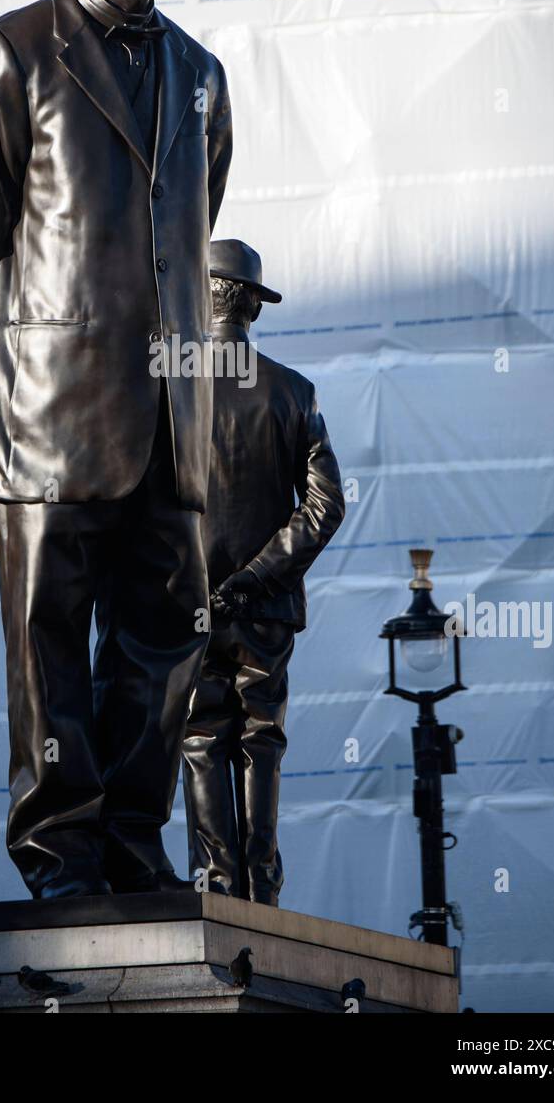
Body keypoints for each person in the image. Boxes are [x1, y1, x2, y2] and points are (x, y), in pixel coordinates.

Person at [0, 0, 233, 898]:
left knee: (163, 645)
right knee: (48, 642)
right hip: (46, 411)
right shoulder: (13, 51)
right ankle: (61, 848)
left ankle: (132, 839)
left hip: (167, 416)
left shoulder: (201, 73)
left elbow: (187, 234)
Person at [183, 239, 345, 905]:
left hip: (187, 606)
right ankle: (261, 889)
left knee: (199, 738)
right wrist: (256, 576)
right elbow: (324, 507)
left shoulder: (168, 387)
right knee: (261, 736)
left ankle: (215, 887)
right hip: (265, 606)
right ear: (250, 303)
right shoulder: (293, 391)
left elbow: (136, 501)